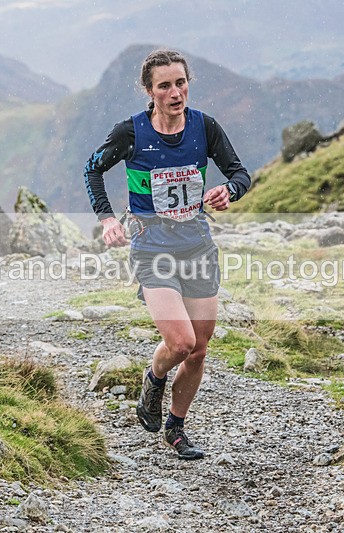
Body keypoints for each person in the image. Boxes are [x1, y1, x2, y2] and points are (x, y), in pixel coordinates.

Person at [83, 49, 251, 460]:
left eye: (180, 83)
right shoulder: (131, 133)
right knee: (179, 343)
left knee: (200, 348)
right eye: (165, 86)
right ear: (149, 91)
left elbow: (240, 173)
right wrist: (108, 220)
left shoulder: (204, 127)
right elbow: (92, 169)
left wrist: (228, 191)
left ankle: (175, 426)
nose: (175, 92)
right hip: (152, 248)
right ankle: (154, 378)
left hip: (196, 246)